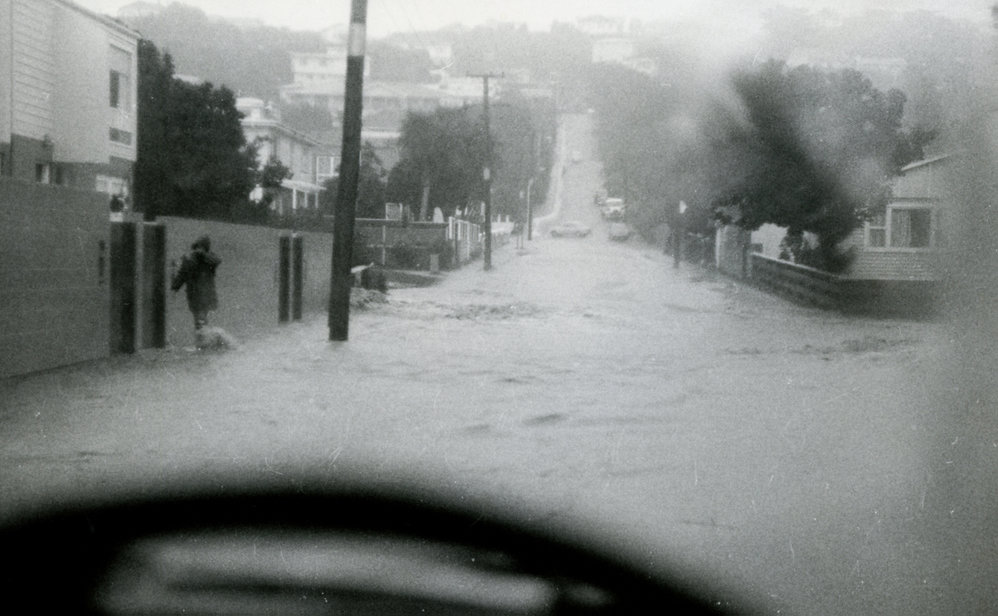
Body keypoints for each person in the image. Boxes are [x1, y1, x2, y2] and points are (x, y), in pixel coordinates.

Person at [171, 235, 221, 331]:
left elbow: (217, 261)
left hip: (205, 295)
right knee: (199, 320)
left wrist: (202, 254)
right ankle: (203, 341)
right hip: (195, 296)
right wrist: (174, 286)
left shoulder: (209, 259)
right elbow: (181, 276)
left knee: (201, 319)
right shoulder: (189, 260)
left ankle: (203, 341)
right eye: (198, 247)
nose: (198, 250)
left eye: (201, 247)